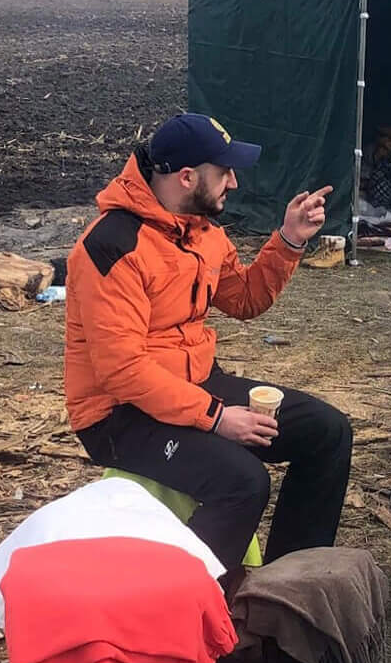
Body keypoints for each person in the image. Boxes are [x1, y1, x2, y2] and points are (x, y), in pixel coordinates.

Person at [64, 113, 352, 578]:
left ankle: (289, 590)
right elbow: (121, 371)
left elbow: (243, 298)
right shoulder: (112, 246)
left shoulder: (201, 230)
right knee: (242, 481)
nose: (234, 183)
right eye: (225, 172)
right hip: (118, 415)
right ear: (187, 176)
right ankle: (188, 611)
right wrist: (217, 418)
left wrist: (289, 240)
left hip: (193, 386)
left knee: (327, 432)